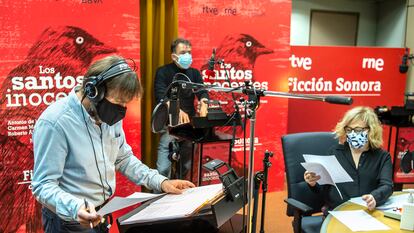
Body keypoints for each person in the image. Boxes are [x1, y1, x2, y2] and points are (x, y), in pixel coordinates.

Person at [32, 55, 195, 233]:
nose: (121, 110)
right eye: (118, 102)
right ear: (94, 91)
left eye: (125, 103)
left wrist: (161, 182)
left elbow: (123, 158)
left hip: (102, 213)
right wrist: (75, 207)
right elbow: (43, 186)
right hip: (69, 221)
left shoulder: (108, 114)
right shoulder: (55, 122)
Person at [304, 106, 393, 212]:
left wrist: (374, 197)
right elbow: (323, 189)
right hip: (337, 213)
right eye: (349, 130)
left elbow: (387, 186)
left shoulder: (382, 156)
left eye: (358, 130)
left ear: (371, 130)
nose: (353, 134)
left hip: (368, 212)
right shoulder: (334, 153)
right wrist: (312, 183)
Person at [154, 38, 208, 178]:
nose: (187, 55)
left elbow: (202, 91)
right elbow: (160, 95)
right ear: (174, 56)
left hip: (189, 127)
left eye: (189, 52)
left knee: (186, 167)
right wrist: (175, 108)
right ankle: (160, 192)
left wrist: (204, 101)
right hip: (169, 126)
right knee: (163, 170)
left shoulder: (195, 73)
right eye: (183, 52)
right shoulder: (163, 72)